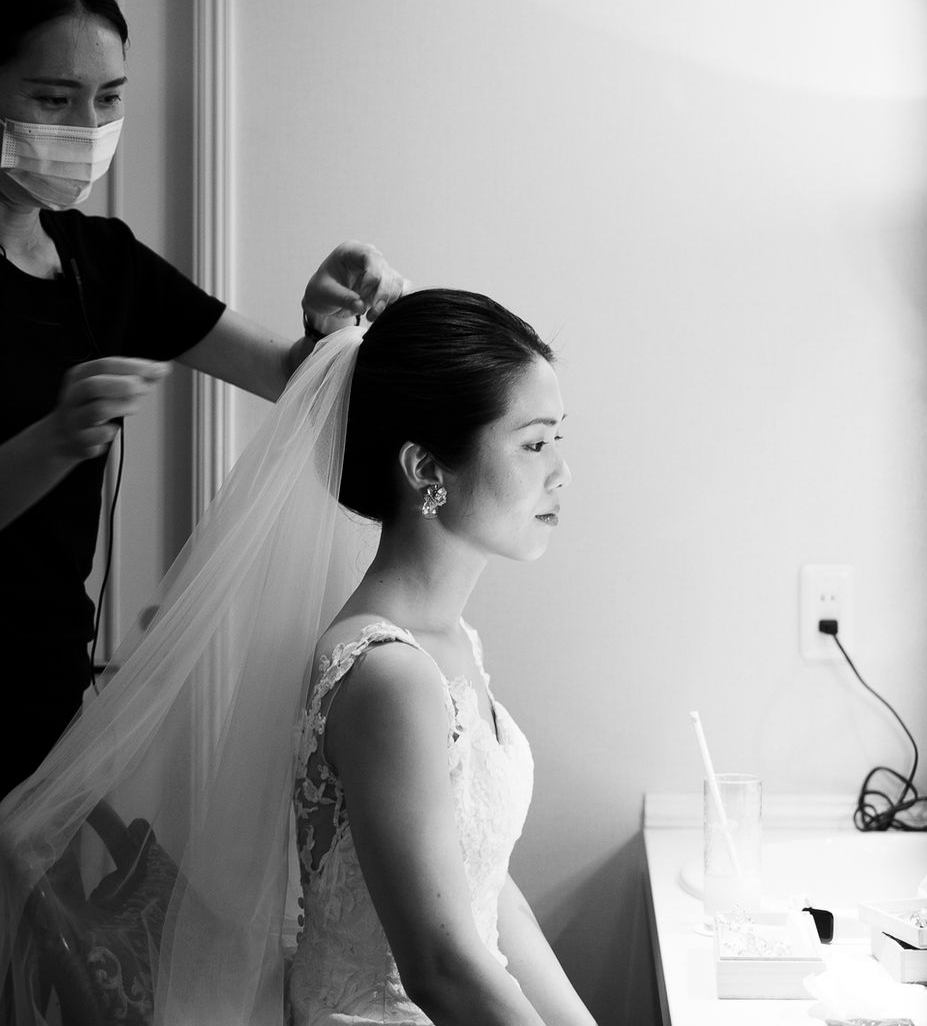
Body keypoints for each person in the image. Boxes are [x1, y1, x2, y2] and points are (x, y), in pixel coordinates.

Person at [0, 289, 595, 1026]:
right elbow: (441, 969)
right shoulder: (390, 675)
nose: (562, 472)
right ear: (424, 468)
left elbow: (487, 888)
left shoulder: (452, 643)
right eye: (535, 444)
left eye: (559, 438)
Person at [0, 0, 405, 797]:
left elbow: (287, 378)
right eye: (54, 98)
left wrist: (324, 323)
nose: (88, 130)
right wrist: (56, 439)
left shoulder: (101, 263)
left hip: (47, 706)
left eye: (109, 98)